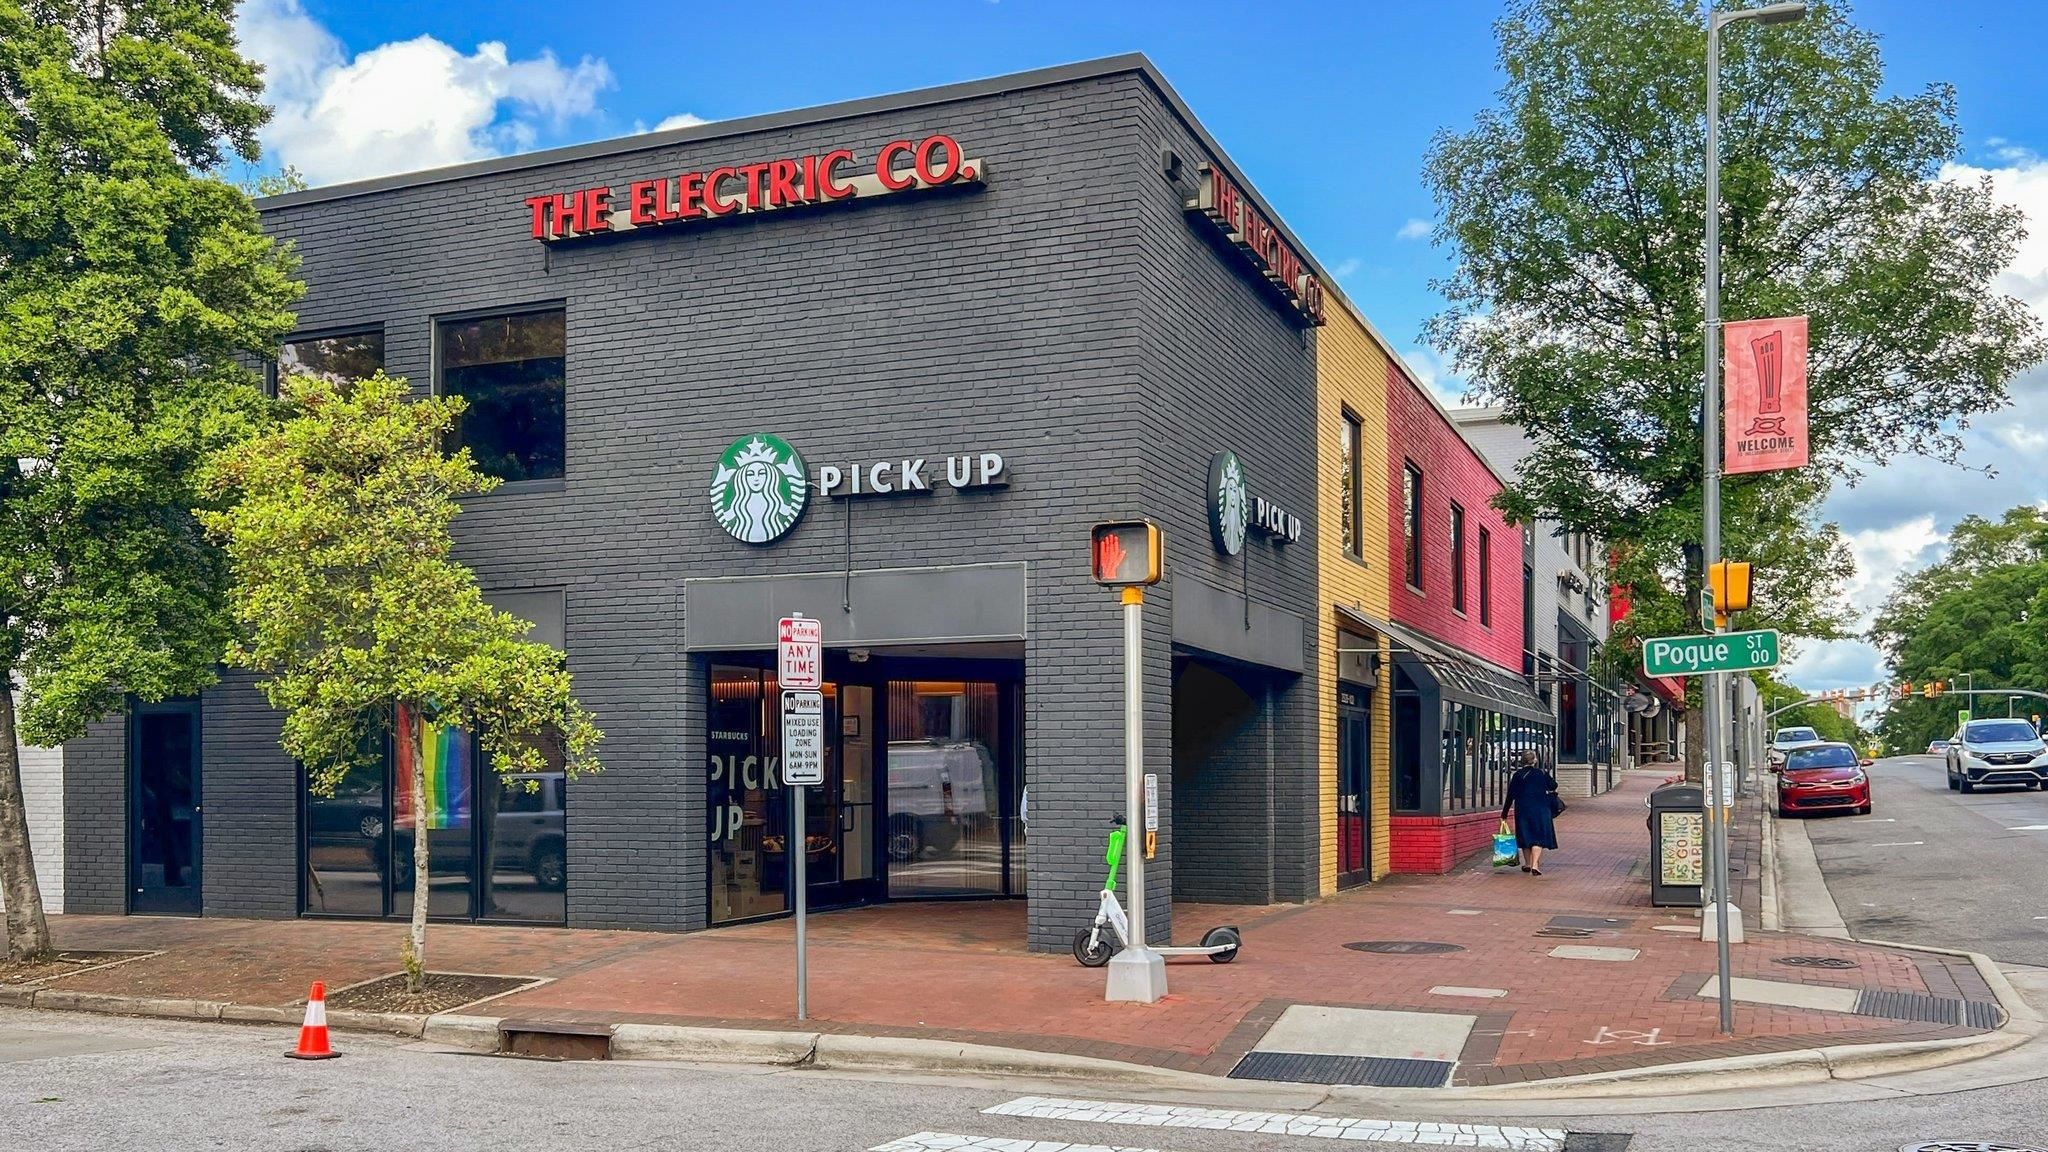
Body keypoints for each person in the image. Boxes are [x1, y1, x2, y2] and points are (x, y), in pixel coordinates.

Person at [1501, 749, 1561, 875]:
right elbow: (1553, 785)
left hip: (1523, 810)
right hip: (1541, 810)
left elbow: (1510, 795)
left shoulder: (1517, 775)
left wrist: (1504, 813)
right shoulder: (1541, 773)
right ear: (1535, 760)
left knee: (1525, 835)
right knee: (1538, 837)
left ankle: (1527, 863)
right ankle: (1535, 865)